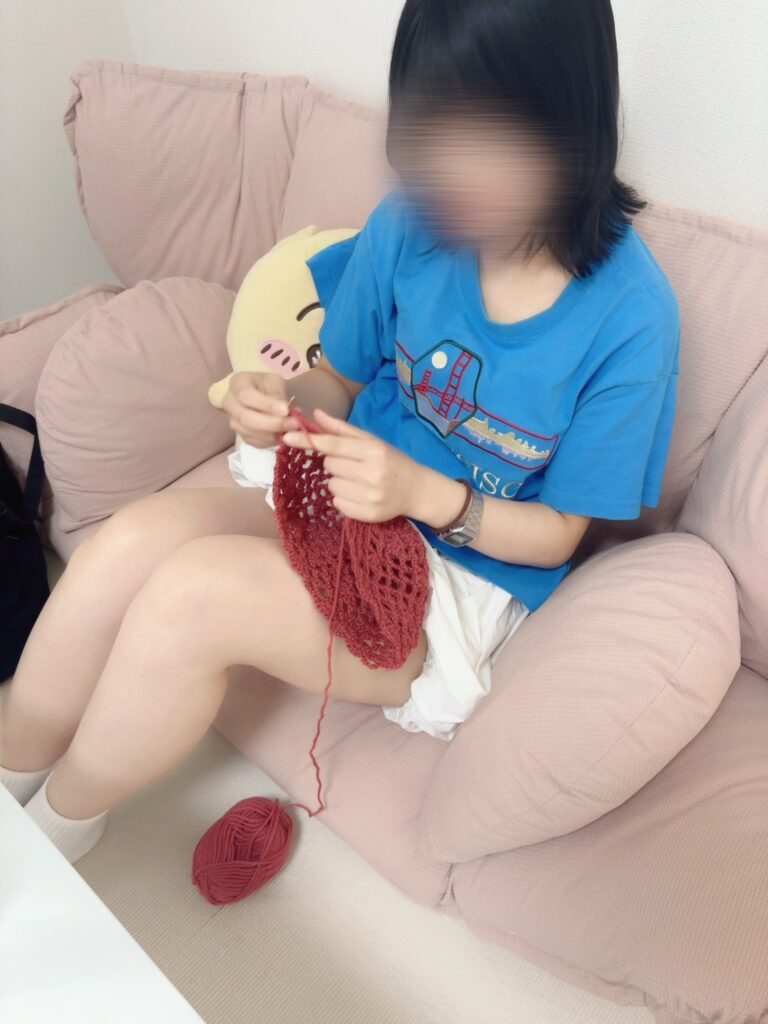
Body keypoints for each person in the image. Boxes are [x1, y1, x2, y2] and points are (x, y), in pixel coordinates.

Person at [0, 0, 679, 864]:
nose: (447, 177)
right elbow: (340, 382)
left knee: (189, 599)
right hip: (343, 501)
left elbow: (557, 536)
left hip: (458, 580)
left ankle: (46, 846)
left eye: (483, 141)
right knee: (128, 542)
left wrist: (423, 493)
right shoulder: (412, 223)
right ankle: (8, 776)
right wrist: (280, 400)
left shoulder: (631, 318)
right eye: (428, 134)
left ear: (569, 121)